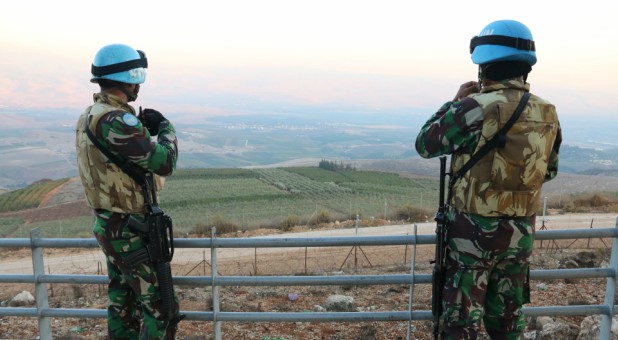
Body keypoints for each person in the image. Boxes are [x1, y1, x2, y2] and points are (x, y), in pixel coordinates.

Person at [415, 20, 562, 339]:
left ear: (483, 66)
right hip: (520, 234)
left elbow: (426, 143)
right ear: (525, 68)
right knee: (507, 323)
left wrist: (453, 103)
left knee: (460, 322)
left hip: (471, 236)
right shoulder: (547, 112)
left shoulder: (473, 108)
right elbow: (547, 171)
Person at [75, 43, 181, 339]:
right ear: (127, 78)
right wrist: (165, 128)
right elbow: (165, 162)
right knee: (163, 308)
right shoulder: (116, 120)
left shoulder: (89, 115)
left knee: (123, 306)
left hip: (110, 225)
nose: (137, 85)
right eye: (135, 78)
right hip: (130, 231)